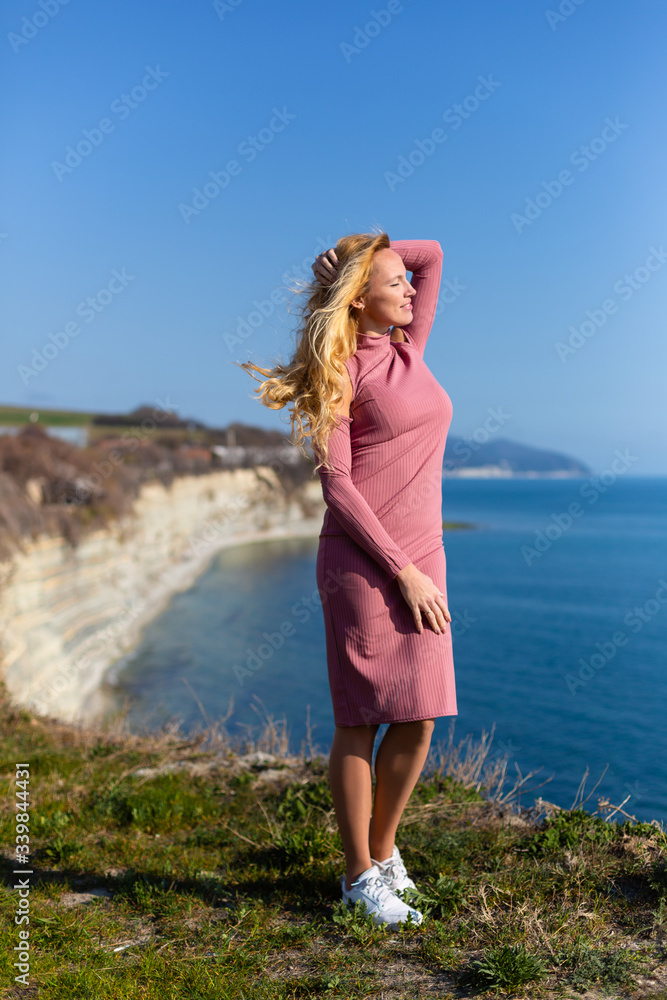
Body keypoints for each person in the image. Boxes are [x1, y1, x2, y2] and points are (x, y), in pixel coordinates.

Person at [239, 230, 457, 929]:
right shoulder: (341, 367)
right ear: (359, 300)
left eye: (404, 284)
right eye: (393, 284)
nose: (410, 290)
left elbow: (432, 257)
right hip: (366, 565)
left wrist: (367, 249)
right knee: (360, 721)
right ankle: (357, 875)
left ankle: (385, 850)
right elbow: (337, 485)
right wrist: (401, 573)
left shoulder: (408, 349)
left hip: (424, 559)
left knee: (419, 715)